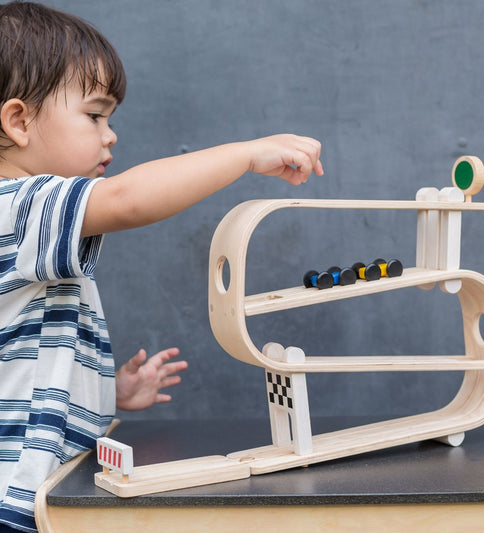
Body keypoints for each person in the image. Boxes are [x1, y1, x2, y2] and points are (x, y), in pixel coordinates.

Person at [0, 2, 323, 531]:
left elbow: (22, 362)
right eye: (94, 115)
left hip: (47, 491)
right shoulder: (16, 207)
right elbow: (127, 199)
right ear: (19, 121)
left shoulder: (30, 222)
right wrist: (245, 154)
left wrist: (107, 392)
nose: (111, 135)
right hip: (18, 499)